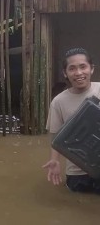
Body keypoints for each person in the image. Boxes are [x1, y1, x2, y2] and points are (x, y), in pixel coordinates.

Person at [43, 47, 100, 193]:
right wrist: (55, 160)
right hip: (77, 171)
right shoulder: (58, 102)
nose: (79, 73)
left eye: (83, 67)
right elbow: (56, 136)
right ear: (65, 73)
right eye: (72, 68)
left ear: (91, 69)